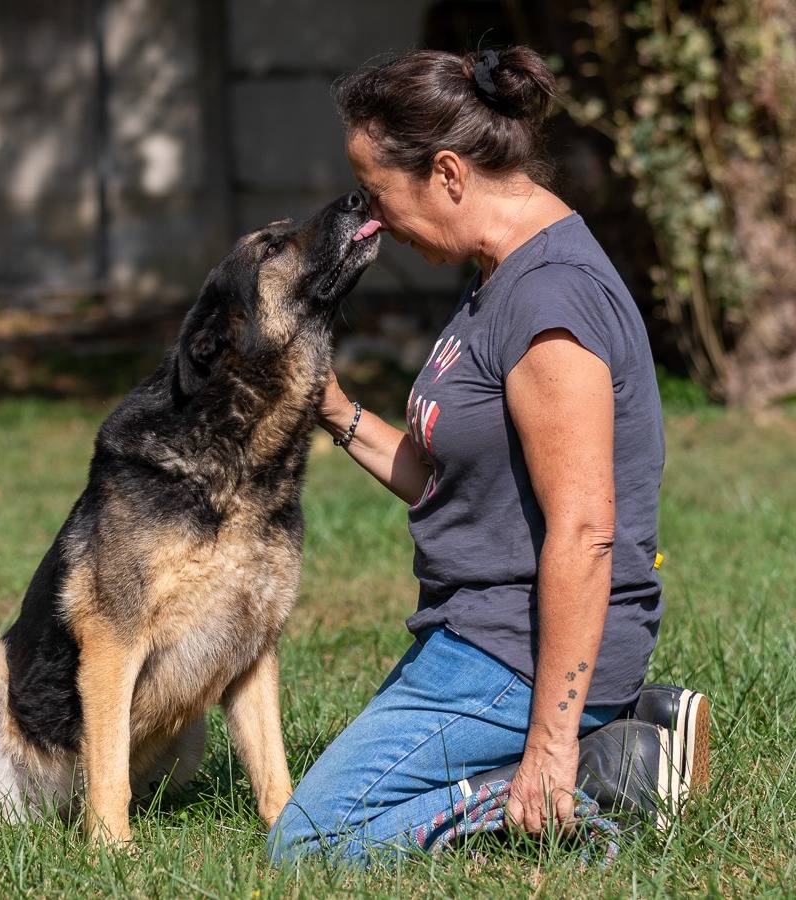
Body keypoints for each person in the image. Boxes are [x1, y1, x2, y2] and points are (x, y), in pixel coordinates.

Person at [267, 46, 709, 866]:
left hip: (514, 651)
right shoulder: (498, 274)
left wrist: (550, 742)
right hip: (477, 634)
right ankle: (616, 733)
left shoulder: (548, 301)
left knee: (312, 843)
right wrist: (331, 407)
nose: (372, 219)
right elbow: (451, 486)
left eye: (379, 193)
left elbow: (584, 531)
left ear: (446, 173)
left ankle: (598, 774)